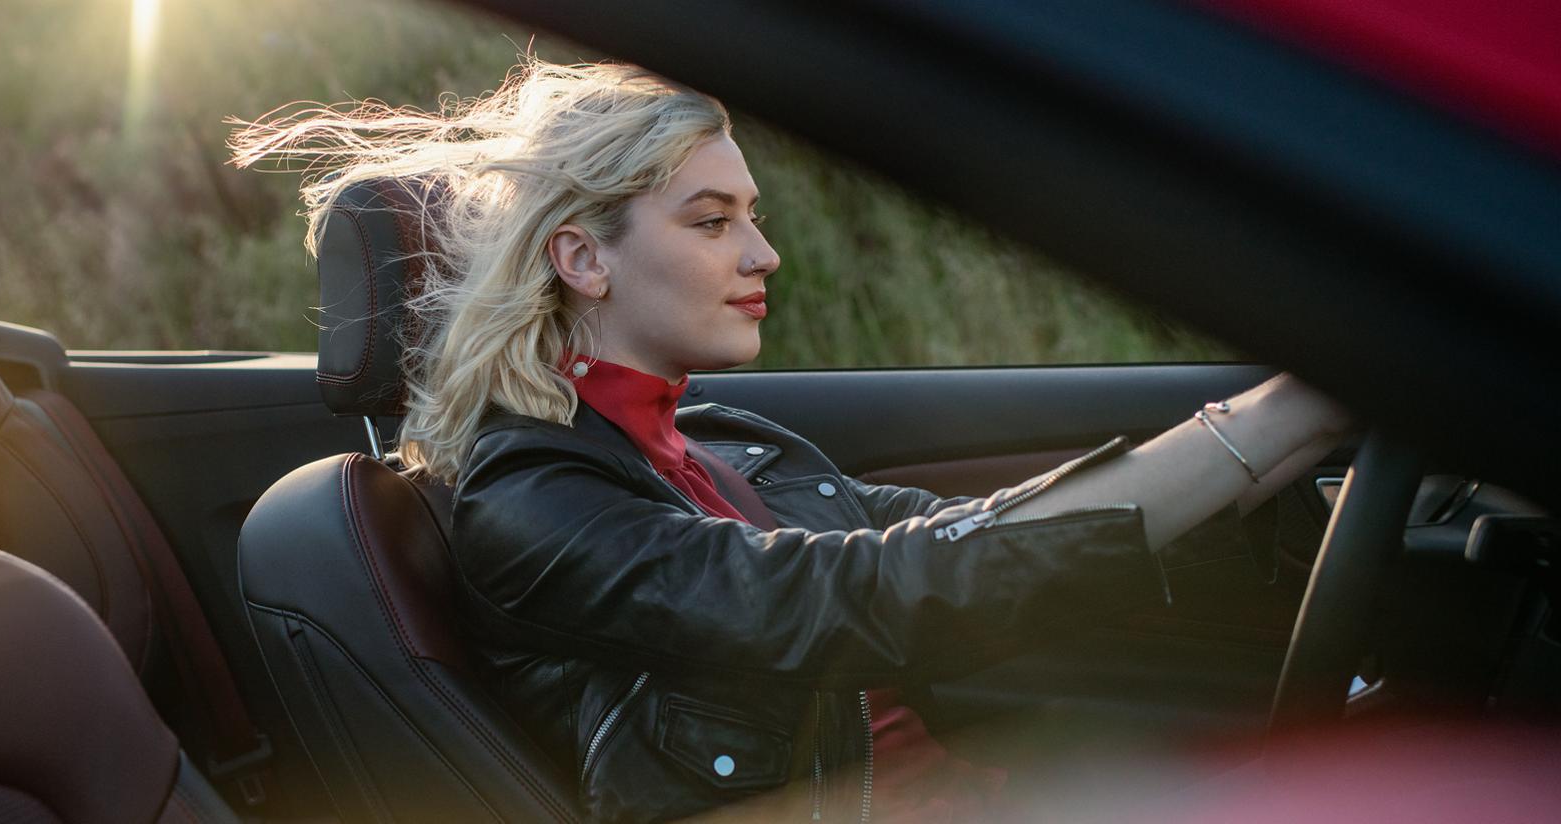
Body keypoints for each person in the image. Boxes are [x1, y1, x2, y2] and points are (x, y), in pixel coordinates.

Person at [232, 57, 1350, 823]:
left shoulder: (717, 444)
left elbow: (949, 533)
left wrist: (1282, 476)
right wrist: (1281, 415)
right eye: (712, 221)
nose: (763, 253)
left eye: (752, 214)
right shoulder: (535, 501)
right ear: (582, 258)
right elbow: (874, 590)